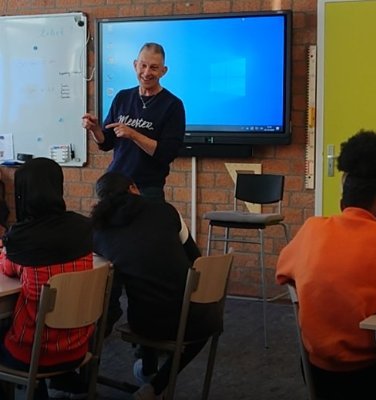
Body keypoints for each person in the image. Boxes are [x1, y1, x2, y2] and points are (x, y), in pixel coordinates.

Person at [275, 130, 376, 399]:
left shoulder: (312, 230)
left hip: (317, 371)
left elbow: (283, 273)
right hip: (374, 372)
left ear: (343, 204)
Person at [91, 171, 223, 400]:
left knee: (143, 291)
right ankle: (155, 385)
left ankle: (148, 370)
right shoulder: (166, 211)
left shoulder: (99, 232)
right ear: (133, 188)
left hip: (144, 322)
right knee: (213, 322)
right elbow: (195, 258)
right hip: (190, 318)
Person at [0, 158, 93, 400]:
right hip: (78, 346)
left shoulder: (20, 239)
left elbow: (7, 268)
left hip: (32, 352)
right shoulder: (84, 227)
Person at [82, 42, 185, 203]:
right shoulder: (122, 97)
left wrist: (133, 135)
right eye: (143, 65)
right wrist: (95, 129)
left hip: (147, 188)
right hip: (115, 184)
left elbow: (167, 153)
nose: (146, 72)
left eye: (154, 67)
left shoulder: (172, 105)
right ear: (135, 65)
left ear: (164, 71)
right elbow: (106, 142)